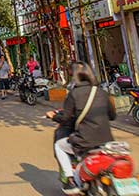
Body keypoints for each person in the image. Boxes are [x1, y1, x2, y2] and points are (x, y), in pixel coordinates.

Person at [45, 62, 116, 195]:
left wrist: (53, 116)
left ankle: (71, 180)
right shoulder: (102, 92)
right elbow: (112, 116)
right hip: (106, 141)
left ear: (74, 77)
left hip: (85, 141)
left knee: (59, 146)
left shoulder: (74, 94)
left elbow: (66, 118)